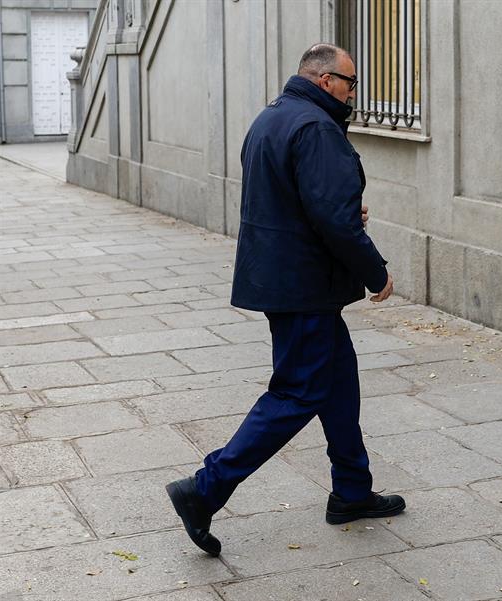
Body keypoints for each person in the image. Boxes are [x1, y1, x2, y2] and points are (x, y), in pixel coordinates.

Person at [165, 43, 405, 557]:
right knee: (297, 392)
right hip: (304, 284)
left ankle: (352, 491)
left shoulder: (272, 116)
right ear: (325, 81)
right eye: (350, 82)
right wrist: (374, 269)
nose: (353, 92)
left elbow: (292, 198)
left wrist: (339, 211)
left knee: (338, 382)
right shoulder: (316, 127)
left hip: (286, 277)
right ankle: (205, 489)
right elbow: (332, 217)